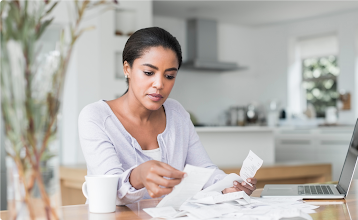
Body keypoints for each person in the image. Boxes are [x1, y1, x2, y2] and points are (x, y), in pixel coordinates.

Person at [78, 27, 257, 204]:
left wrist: (228, 186)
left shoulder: (176, 112)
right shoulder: (96, 117)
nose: (159, 84)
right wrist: (138, 175)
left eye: (169, 76)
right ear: (127, 69)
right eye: (148, 73)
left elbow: (204, 169)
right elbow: (109, 188)